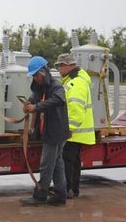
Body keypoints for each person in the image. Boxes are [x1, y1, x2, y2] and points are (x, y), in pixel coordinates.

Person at [20, 56, 69, 206]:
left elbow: (59, 100)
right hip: (52, 131)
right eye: (33, 76)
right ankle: (60, 195)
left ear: (43, 71)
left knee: (46, 164)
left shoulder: (55, 86)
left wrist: (36, 107)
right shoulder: (40, 87)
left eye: (36, 75)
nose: (35, 78)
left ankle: (40, 195)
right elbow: (35, 97)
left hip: (55, 132)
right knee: (57, 163)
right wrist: (29, 102)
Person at [54, 53, 96, 199]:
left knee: (67, 161)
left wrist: (69, 128)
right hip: (78, 130)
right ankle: (73, 189)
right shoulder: (73, 80)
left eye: (60, 66)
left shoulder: (76, 82)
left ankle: (66, 189)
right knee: (73, 161)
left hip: (75, 131)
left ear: (69, 65)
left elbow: (76, 108)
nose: (58, 69)